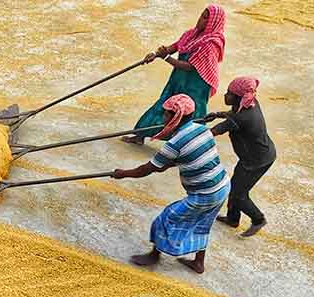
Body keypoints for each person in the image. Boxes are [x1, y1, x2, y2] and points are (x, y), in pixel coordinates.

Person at [113, 94, 230, 274]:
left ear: (172, 116)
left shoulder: (174, 143)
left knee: (165, 219)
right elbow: (178, 160)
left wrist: (123, 174)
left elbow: (148, 169)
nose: (163, 117)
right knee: (202, 223)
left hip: (205, 193)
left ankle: (154, 255)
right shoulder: (201, 129)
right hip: (222, 185)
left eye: (165, 114)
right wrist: (164, 164)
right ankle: (199, 263)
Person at [123, 4, 227, 144]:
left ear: (212, 23)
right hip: (179, 79)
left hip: (196, 85)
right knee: (164, 105)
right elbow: (175, 46)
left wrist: (166, 57)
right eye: (201, 15)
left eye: (205, 18)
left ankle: (189, 146)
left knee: (190, 115)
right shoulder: (191, 34)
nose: (200, 20)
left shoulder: (211, 43)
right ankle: (140, 136)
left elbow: (190, 67)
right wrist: (155, 54)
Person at [208, 76, 276, 237]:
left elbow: (214, 131)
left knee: (238, 194)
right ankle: (233, 219)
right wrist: (218, 114)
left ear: (238, 97)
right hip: (255, 155)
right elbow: (233, 114)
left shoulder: (240, 118)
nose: (225, 95)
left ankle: (258, 219)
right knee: (235, 186)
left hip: (257, 161)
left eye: (229, 93)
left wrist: (189, 134)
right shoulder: (249, 103)